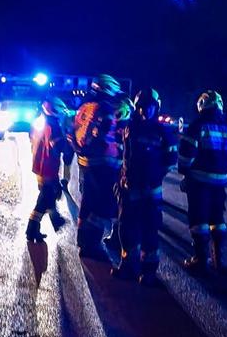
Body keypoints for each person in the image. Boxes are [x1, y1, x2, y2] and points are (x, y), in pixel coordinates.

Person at [112, 89, 177, 285]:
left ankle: (148, 271)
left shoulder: (163, 131)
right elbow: (122, 155)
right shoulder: (129, 127)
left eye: (149, 107)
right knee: (127, 228)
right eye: (141, 107)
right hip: (129, 187)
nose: (145, 111)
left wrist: (155, 177)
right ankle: (127, 265)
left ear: (155, 108)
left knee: (150, 230)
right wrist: (120, 180)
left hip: (151, 189)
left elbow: (170, 159)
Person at [177, 90, 227, 272]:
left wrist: (184, 172)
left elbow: (187, 153)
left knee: (199, 220)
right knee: (217, 218)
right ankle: (218, 258)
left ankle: (200, 259)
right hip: (220, 182)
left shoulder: (198, 125)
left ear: (202, 106)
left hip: (198, 181)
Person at [71, 74, 123, 260]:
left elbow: (73, 130)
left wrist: (80, 150)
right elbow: (103, 133)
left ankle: (83, 240)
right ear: (109, 90)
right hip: (104, 163)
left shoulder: (85, 107)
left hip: (86, 162)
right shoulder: (106, 109)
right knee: (103, 205)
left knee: (88, 202)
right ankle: (92, 245)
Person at [28, 98, 72, 242]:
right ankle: (32, 228)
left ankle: (53, 220)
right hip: (48, 167)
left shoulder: (38, 121)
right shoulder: (53, 126)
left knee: (49, 195)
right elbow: (58, 145)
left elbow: (32, 138)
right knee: (45, 198)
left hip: (39, 165)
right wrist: (69, 144)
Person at [103, 95, 135, 253]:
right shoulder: (120, 125)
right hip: (116, 170)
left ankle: (117, 238)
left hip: (121, 172)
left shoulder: (126, 127)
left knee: (119, 206)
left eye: (117, 109)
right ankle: (117, 235)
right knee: (117, 205)